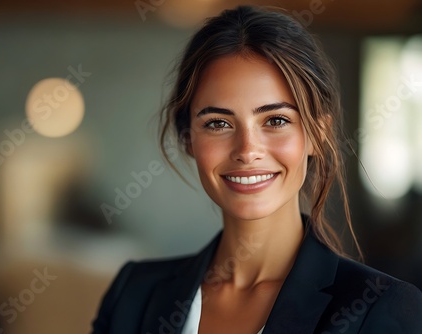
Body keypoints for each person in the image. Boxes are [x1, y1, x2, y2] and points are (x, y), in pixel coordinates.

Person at [91, 6, 422, 334]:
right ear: (188, 139)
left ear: (317, 136)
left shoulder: (382, 309)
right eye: (218, 123)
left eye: (276, 120)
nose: (247, 151)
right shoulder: (133, 294)